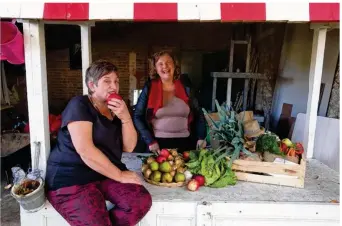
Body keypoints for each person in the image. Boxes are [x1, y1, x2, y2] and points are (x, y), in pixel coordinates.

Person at [45, 60, 152, 226]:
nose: (113, 86)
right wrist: (120, 175)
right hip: (72, 178)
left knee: (140, 201)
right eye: (107, 81)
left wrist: (125, 117)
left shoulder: (116, 109)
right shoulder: (79, 105)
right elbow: (85, 150)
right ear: (92, 85)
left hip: (103, 174)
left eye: (116, 81)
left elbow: (129, 147)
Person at [133, 51, 207, 154]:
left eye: (168, 62)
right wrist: (150, 141)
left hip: (186, 144)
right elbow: (137, 115)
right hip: (157, 145)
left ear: (174, 65)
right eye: (160, 63)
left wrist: (201, 136)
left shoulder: (186, 87)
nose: (165, 66)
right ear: (155, 68)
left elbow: (199, 114)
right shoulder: (149, 88)